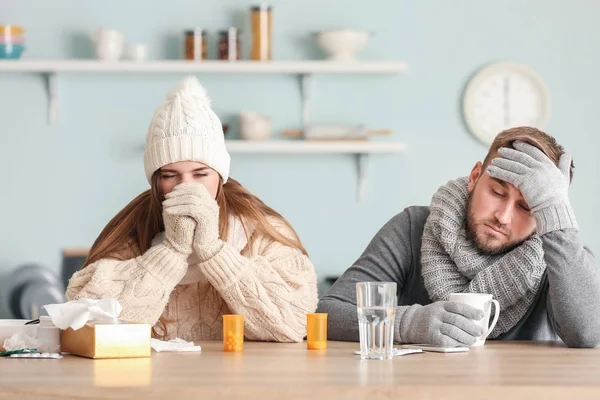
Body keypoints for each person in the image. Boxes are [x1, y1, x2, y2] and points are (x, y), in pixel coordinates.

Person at [67, 76, 318, 343]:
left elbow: (292, 326)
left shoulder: (258, 227)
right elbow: (86, 323)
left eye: (200, 174)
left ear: (220, 176)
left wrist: (213, 249)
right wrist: (170, 251)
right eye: (170, 175)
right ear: (156, 182)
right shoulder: (134, 227)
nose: (187, 187)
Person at [317, 126, 600, 348]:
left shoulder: (561, 252)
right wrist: (408, 323)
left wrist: (556, 215)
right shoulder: (413, 226)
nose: (503, 216)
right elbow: (327, 313)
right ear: (475, 176)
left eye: (527, 206)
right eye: (498, 193)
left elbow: (588, 333)